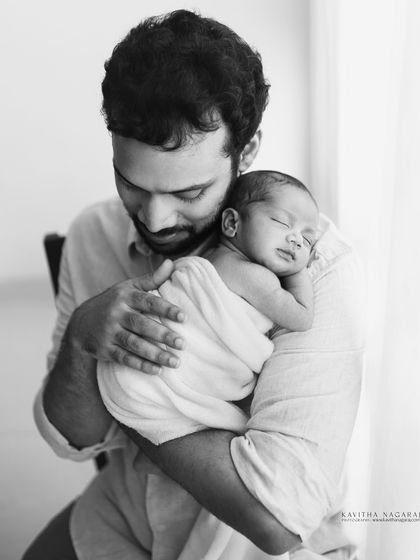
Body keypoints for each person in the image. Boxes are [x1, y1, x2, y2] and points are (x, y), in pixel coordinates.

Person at [24, 10, 364, 560]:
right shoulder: (93, 234)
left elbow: (280, 521)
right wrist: (85, 339)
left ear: (246, 153)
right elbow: (71, 439)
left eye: (189, 193)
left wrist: (133, 403)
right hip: (128, 509)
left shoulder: (319, 269)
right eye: (131, 184)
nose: (155, 219)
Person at [98, 170, 319, 446]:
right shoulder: (256, 278)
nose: (297, 240)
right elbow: (301, 317)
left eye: (308, 240)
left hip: (127, 375)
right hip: (162, 378)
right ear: (231, 223)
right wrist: (299, 271)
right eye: (281, 222)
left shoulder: (208, 259)